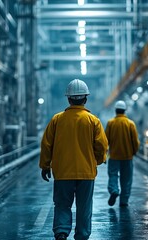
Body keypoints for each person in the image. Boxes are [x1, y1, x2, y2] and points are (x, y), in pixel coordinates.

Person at [39, 79, 108, 240]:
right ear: (85, 99)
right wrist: (96, 160)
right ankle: (82, 236)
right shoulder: (93, 120)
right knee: (84, 207)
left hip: (63, 172)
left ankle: (61, 232)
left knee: (62, 205)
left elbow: (46, 144)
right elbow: (102, 145)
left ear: (68, 99)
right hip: (86, 173)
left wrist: (45, 166)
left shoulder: (57, 119)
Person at [105, 100, 140, 207]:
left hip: (114, 156)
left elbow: (106, 140)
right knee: (126, 179)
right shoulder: (130, 124)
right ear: (125, 111)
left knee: (113, 175)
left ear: (116, 110)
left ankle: (114, 190)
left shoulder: (111, 123)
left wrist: (105, 154)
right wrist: (134, 152)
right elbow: (135, 141)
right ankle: (124, 201)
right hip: (127, 157)